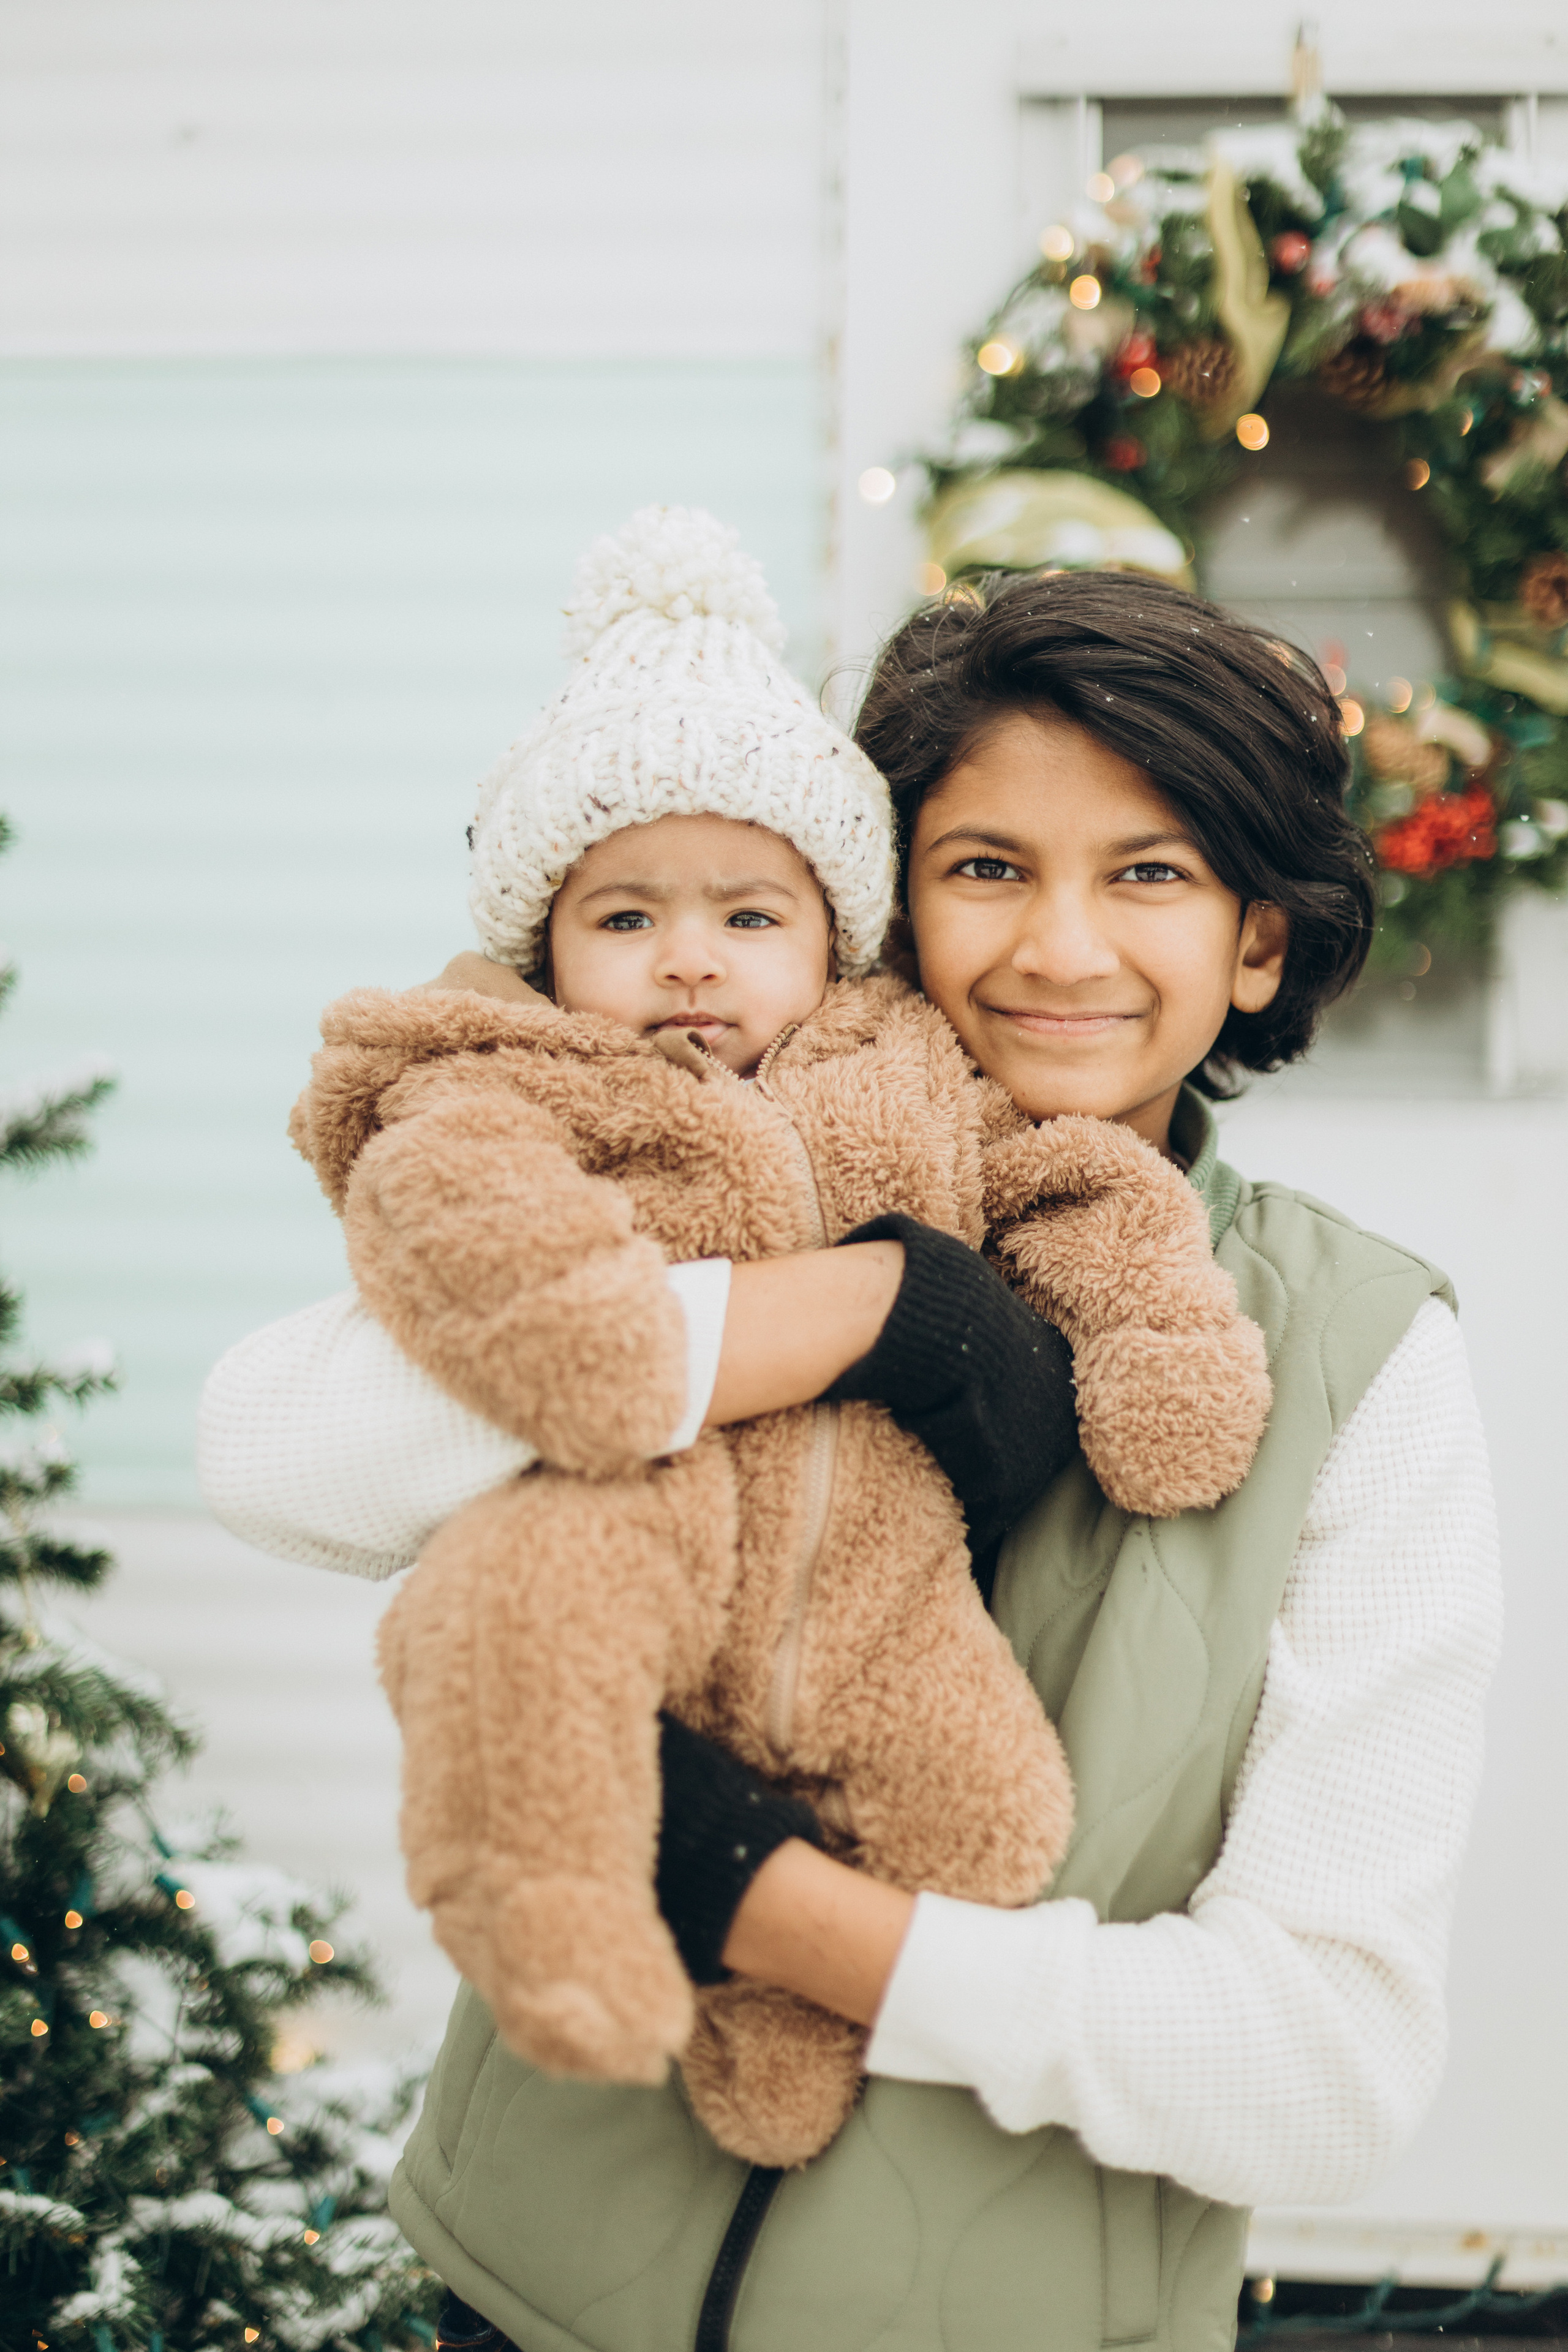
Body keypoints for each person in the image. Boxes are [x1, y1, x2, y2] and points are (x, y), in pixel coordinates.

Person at [199, 561, 1501, 2352]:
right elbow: (273, 1449)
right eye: (987, 868)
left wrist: (768, 1906)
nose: (1060, 950)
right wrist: (846, 1309)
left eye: (1150, 875)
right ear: (879, 899)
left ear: (1258, 940)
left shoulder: (1360, 1356)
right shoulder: (689, 1160)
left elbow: (1326, 2069)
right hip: (525, 2291)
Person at [283, 506, 1268, 2170]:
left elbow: (1076, 1185)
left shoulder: (900, 1075)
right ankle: (548, 1927)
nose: (689, 964)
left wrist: (1155, 1338)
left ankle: (773, 2017)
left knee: (990, 1814)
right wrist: (646, 1337)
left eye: (749, 919)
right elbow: (426, 1241)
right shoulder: (519, 1080)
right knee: (509, 1628)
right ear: (544, 945)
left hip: (874, 1571)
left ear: (832, 932)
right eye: (623, 922)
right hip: (632, 1523)